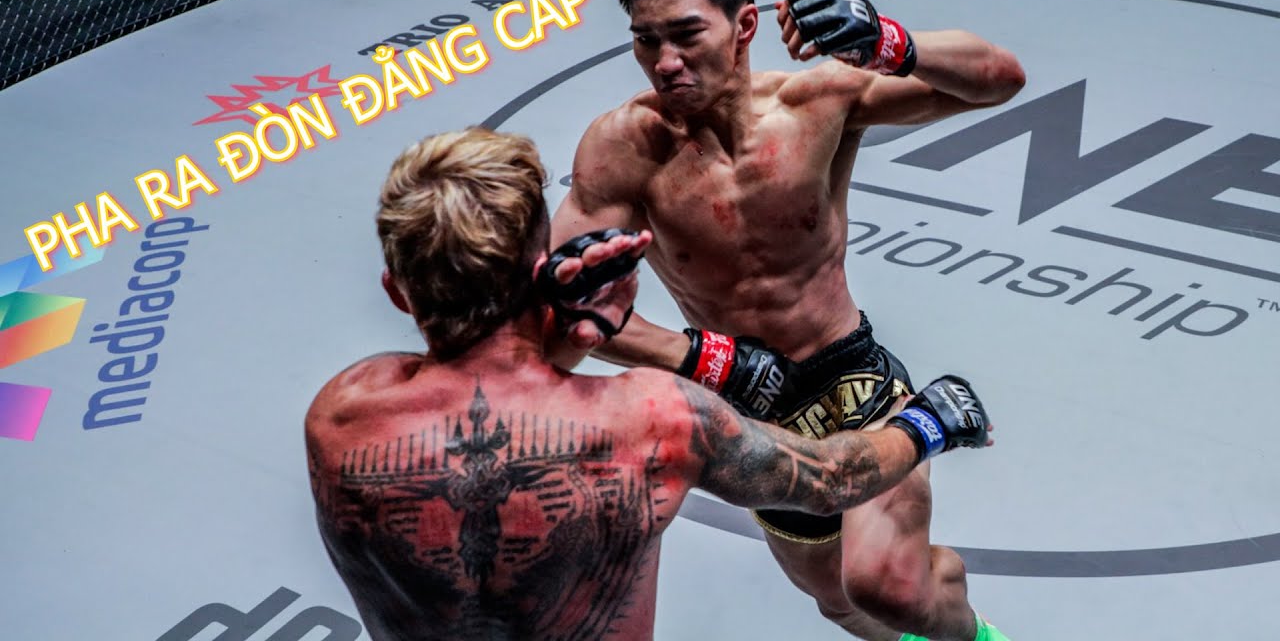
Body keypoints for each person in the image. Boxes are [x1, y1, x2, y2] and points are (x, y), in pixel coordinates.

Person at [304, 125, 995, 641]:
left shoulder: (341, 415)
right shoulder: (651, 420)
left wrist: (563, 327)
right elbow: (828, 481)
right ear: (541, 268)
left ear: (396, 292)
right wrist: (929, 421)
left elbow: (492, 383)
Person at [544, 0, 1027, 641]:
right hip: (751, 411)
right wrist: (703, 358)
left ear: (744, 26)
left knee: (885, 587)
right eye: (646, 40)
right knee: (838, 600)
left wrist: (889, 41)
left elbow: (1000, 79)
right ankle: (939, 592)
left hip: (853, 379)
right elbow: (563, 304)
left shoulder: (817, 102)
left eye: (686, 35)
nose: (665, 63)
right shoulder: (624, 148)